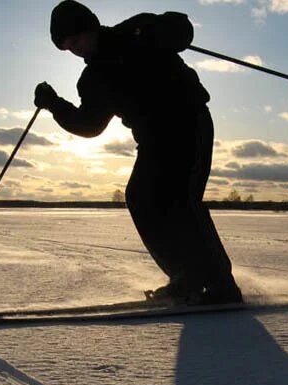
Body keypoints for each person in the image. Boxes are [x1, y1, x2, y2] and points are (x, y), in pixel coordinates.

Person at [34, 0, 242, 305]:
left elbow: (181, 30)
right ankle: (186, 276)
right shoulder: (92, 79)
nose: (75, 50)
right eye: (67, 47)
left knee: (181, 200)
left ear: (90, 28)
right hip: (152, 139)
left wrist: (164, 30)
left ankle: (222, 284)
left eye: (76, 40)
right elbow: (90, 125)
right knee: (141, 198)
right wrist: (55, 104)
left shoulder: (135, 31)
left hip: (187, 122)